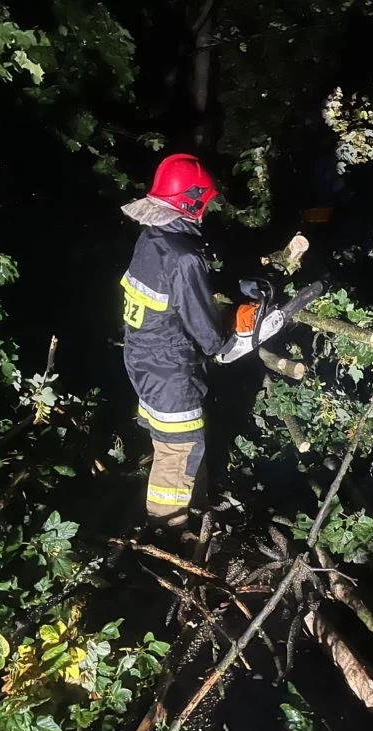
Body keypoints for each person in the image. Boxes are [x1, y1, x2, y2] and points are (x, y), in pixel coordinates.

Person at [118, 154, 225, 530]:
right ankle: (166, 529)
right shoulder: (183, 258)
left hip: (142, 358)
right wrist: (223, 344)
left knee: (176, 440)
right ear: (191, 203)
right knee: (177, 449)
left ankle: (194, 507)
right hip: (169, 369)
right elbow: (205, 329)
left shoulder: (152, 240)